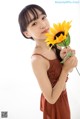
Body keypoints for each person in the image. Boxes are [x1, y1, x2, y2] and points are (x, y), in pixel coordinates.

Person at [18, 4, 78, 119]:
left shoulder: (55, 44)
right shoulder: (37, 59)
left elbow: (68, 70)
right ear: (27, 33)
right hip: (55, 105)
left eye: (43, 17)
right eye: (34, 23)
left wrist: (69, 60)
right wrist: (65, 69)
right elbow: (51, 98)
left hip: (63, 96)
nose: (43, 24)